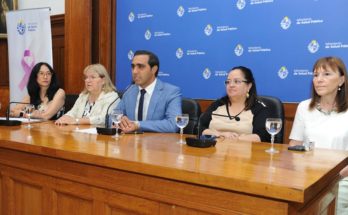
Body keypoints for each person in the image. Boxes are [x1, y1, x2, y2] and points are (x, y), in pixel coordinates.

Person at [288, 56, 348, 214]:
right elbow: (294, 146)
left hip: (342, 181)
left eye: (326, 74)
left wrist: (332, 178)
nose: (319, 80)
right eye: (315, 75)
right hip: (308, 181)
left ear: (341, 80)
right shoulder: (304, 107)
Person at [115, 50, 182, 133]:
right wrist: (120, 119)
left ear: (154, 69)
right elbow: (113, 116)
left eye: (140, 67)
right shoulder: (129, 90)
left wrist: (138, 125)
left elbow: (173, 124)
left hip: (158, 144)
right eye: (133, 67)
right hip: (130, 143)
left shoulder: (171, 92)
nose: (134, 71)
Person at [200, 66, 270, 142]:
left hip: (245, 152)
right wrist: (221, 134)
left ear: (248, 86)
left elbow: (261, 137)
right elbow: (201, 129)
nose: (231, 85)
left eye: (237, 81)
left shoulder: (258, 108)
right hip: (213, 151)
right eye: (228, 82)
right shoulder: (217, 105)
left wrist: (234, 139)